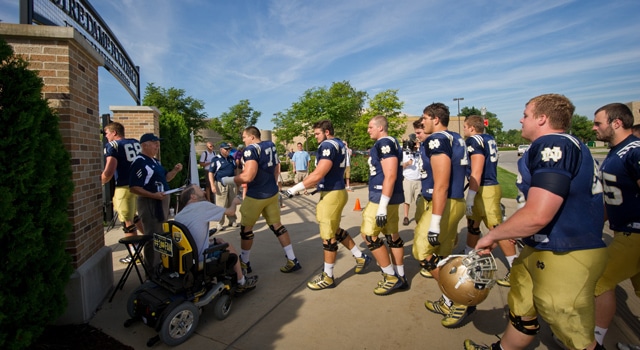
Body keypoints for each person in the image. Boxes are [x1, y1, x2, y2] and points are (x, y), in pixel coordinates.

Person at [464, 94, 607, 350]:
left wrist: (492, 235)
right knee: (522, 310)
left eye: (526, 115)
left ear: (542, 118)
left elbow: (539, 214)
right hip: (543, 246)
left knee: (570, 327)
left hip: (565, 251)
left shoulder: (553, 143)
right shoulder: (569, 144)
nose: (521, 119)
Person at [285, 120, 371, 290]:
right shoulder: (338, 143)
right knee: (335, 231)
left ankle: (328, 276)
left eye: (317, 133)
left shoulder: (327, 145)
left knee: (328, 237)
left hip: (332, 194)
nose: (316, 137)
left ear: (327, 132)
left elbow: (318, 173)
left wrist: (294, 189)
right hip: (336, 191)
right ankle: (359, 255)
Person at [220, 126, 301, 274]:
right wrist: (273, 185)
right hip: (271, 193)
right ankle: (292, 259)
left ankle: (244, 262)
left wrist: (228, 180)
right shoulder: (270, 145)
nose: (243, 140)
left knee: (246, 229)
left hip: (256, 195)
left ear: (251, 137)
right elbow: (277, 168)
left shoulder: (250, 149)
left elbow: (248, 176)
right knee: (278, 226)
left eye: (244, 137)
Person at [592, 103, 640, 346]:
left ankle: (594, 341)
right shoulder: (615, 151)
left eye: (598, 122)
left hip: (635, 232)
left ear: (617, 123)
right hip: (625, 230)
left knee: (600, 280)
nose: (594, 127)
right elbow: (609, 201)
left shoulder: (634, 151)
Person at [420, 102, 470, 328]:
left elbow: (441, 184)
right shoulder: (456, 137)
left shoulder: (437, 139)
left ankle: (461, 299)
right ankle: (449, 299)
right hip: (456, 200)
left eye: (425, 118)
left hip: (445, 203)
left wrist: (435, 223)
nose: (422, 122)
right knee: (442, 255)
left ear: (435, 119)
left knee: (422, 252)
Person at [462, 115, 517, 287]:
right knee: (473, 225)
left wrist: (470, 196)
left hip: (484, 188)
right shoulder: (488, 138)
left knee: (496, 229)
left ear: (471, 128)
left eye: (464, 127)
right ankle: (469, 258)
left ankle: (516, 270)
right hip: (485, 187)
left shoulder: (474, 140)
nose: (464, 130)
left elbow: (476, 171)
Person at [175, 185, 258, 293]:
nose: (204, 191)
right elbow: (231, 212)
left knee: (219, 240)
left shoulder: (179, 216)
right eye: (200, 190)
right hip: (200, 257)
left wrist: (212, 241)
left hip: (187, 257)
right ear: (193, 196)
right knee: (229, 247)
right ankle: (241, 281)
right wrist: (234, 202)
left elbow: (192, 237)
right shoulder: (202, 206)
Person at [360, 115, 408, 295]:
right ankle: (400, 275)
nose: (368, 130)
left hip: (382, 196)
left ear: (380, 127)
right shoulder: (392, 142)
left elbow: (390, 174)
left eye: (370, 127)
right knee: (392, 236)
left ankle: (390, 276)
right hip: (390, 196)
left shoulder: (384, 143)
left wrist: (381, 206)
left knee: (369, 235)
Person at [129, 133, 183, 270]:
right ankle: (152, 270)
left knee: (161, 235)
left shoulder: (155, 162)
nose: (157, 146)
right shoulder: (139, 161)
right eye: (154, 143)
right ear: (144, 145)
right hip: (150, 203)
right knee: (153, 235)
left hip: (161, 201)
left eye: (158, 143)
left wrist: (175, 171)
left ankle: (161, 265)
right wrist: (153, 195)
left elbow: (167, 178)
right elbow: (134, 188)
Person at [101, 122, 144, 264]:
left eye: (107, 133)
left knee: (127, 220)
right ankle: (151, 239)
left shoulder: (113, 146)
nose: (106, 136)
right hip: (139, 184)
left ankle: (135, 253)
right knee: (134, 216)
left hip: (124, 186)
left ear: (114, 133)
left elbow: (109, 170)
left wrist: (101, 181)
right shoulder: (134, 142)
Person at [409, 120, 435, 277]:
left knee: (423, 237)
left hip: (435, 195)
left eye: (419, 133)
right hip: (424, 193)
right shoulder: (423, 147)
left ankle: (434, 264)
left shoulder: (435, 146)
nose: (417, 137)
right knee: (419, 221)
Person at [208, 142, 238, 231]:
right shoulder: (216, 159)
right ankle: (219, 223)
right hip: (221, 183)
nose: (228, 151)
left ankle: (232, 220)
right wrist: (212, 185)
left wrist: (237, 180)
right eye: (226, 149)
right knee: (221, 204)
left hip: (232, 182)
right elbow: (211, 173)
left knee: (232, 202)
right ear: (221, 150)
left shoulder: (231, 158)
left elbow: (235, 169)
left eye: (229, 149)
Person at [401, 134, 421, 226]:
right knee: (407, 200)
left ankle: (419, 217)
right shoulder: (405, 152)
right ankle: (406, 216)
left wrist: (419, 146)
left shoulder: (420, 152)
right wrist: (407, 163)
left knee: (419, 201)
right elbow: (400, 165)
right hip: (408, 179)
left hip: (419, 180)